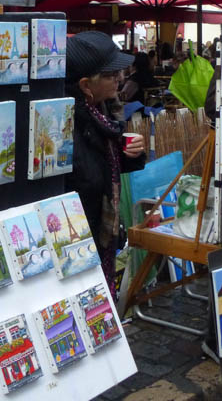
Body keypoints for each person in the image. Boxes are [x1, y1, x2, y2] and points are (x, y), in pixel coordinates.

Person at [65, 31, 147, 297]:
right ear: (86, 85)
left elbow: (103, 165)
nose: (120, 78)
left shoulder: (102, 113)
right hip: (79, 238)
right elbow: (87, 178)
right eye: (111, 74)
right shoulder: (66, 123)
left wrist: (130, 154)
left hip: (100, 234)